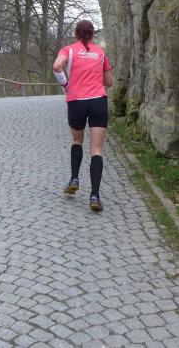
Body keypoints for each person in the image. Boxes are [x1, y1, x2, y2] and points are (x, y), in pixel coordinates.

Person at [52, 20, 113, 212]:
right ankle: (95, 196)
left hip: (76, 101)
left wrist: (66, 84)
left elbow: (57, 66)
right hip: (98, 101)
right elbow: (109, 82)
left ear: (76, 34)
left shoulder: (69, 50)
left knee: (77, 141)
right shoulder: (101, 53)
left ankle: (74, 179)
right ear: (92, 35)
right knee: (96, 150)